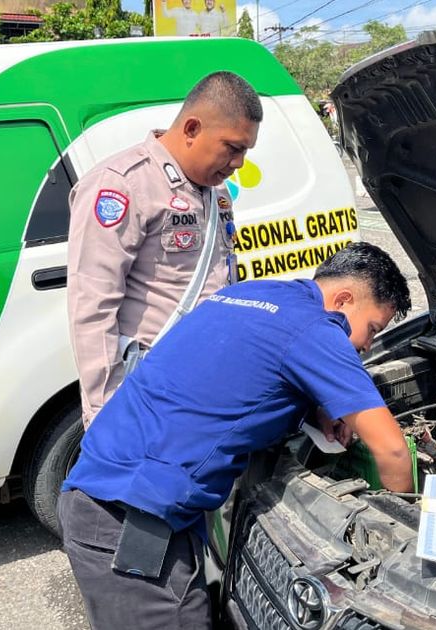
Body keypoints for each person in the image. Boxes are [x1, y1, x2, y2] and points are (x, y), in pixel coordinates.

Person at [58, 242, 415, 629]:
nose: (367, 346)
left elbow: (236, 371)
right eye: (372, 329)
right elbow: (393, 450)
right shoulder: (315, 329)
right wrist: (400, 543)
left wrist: (318, 408)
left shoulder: (246, 293)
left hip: (103, 497)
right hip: (131, 527)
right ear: (344, 299)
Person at [67, 71, 260, 428]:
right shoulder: (122, 185)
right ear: (191, 129)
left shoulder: (212, 191)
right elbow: (93, 307)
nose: (238, 164)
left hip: (208, 379)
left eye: (245, 151)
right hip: (151, 387)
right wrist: (106, 415)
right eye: (233, 148)